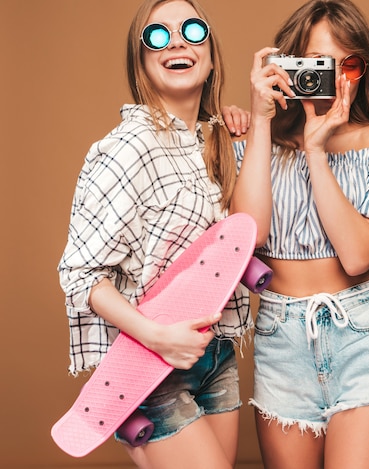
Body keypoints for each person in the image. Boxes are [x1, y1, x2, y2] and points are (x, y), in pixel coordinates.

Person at [58, 1, 251, 467]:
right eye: (158, 36)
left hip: (216, 353)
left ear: (210, 55)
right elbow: (79, 273)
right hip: (151, 365)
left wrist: (243, 131)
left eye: (191, 29)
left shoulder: (218, 141)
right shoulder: (128, 146)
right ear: (141, 60)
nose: (178, 41)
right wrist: (156, 336)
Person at [230, 1, 369, 468]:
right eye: (318, 64)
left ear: (364, 69)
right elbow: (248, 237)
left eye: (348, 65)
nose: (335, 80)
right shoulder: (257, 142)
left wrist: (316, 150)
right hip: (281, 339)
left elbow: (356, 257)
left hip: (365, 337)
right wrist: (259, 121)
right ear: (287, 64)